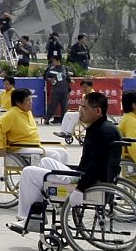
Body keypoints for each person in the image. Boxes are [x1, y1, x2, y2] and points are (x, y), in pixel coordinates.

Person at [9, 91, 118, 233]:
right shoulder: (103, 127)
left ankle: (30, 218)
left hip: (86, 182)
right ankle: (36, 214)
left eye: (84, 108)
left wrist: (80, 189)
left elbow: (96, 165)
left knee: (28, 172)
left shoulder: (102, 132)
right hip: (85, 175)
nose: (80, 111)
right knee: (47, 161)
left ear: (97, 111)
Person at [42, 55, 71, 124]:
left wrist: (70, 83)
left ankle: (63, 120)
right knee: (52, 104)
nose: (53, 62)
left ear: (58, 61)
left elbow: (67, 78)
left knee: (64, 106)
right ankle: (47, 118)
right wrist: (50, 79)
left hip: (64, 89)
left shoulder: (65, 68)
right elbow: (45, 76)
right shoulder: (51, 68)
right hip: (56, 89)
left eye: (54, 61)